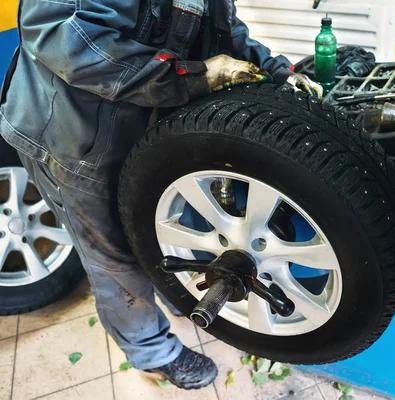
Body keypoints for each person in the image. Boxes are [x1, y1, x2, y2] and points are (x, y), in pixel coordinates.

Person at [0, 0, 322, 390]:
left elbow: (228, 33)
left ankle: (173, 297)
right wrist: (193, 76)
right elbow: (59, 35)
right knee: (114, 258)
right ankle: (153, 354)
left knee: (156, 230)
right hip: (71, 138)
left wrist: (278, 71)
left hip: (139, 137)